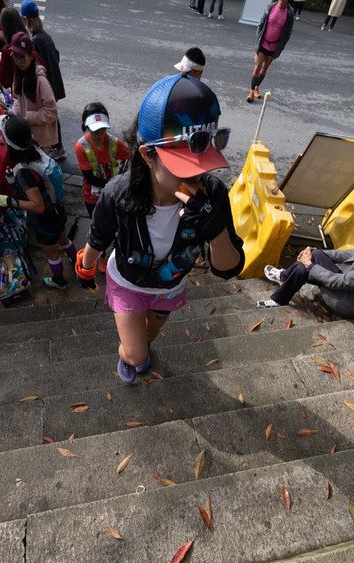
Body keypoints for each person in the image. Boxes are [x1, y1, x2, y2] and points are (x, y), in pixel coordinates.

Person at [74, 74, 245, 384]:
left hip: (169, 286)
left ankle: (141, 347)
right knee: (135, 354)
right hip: (128, 281)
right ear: (147, 154)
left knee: (149, 335)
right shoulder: (119, 194)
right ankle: (131, 356)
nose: (197, 176)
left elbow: (228, 269)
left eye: (204, 163)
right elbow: (99, 237)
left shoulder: (212, 195)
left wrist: (215, 230)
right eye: (184, 167)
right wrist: (85, 269)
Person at [257, 207, 354, 315]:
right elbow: (351, 254)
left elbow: (339, 282)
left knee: (303, 268)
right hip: (350, 281)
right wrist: (317, 252)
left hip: (347, 298)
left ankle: (280, 293)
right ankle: (285, 278)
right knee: (314, 257)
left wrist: (309, 264)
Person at [0, 116, 78, 290]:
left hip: (45, 220)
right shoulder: (34, 146)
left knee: (52, 254)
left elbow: (38, 206)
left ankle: (59, 281)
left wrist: (10, 201)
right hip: (57, 210)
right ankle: (77, 262)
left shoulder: (24, 173)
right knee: (64, 240)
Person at [73, 102, 131, 250]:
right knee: (98, 227)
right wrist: (115, 185)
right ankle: (101, 254)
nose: (99, 135)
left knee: (114, 224)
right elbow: (90, 178)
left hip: (112, 194)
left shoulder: (114, 143)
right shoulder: (81, 147)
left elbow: (131, 155)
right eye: (95, 130)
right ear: (86, 126)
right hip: (92, 196)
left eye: (103, 130)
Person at [20, 0, 67, 161]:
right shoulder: (45, 36)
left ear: (25, 19)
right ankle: (58, 147)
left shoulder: (35, 41)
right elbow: (57, 56)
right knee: (54, 116)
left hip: (48, 84)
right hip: (55, 81)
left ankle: (57, 148)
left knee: (50, 117)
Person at [8, 32, 59, 158]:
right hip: (25, 135)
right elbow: (17, 99)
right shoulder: (18, 76)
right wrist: (14, 112)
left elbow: (51, 111)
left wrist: (28, 117)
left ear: (31, 56)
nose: (19, 61)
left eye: (22, 57)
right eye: (15, 56)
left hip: (40, 139)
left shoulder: (41, 81)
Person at [247, 0, 295, 103]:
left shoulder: (290, 12)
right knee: (257, 67)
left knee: (264, 70)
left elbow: (289, 31)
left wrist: (282, 46)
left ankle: (256, 87)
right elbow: (260, 24)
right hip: (263, 43)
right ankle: (251, 92)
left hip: (274, 46)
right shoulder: (270, 7)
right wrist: (258, 40)